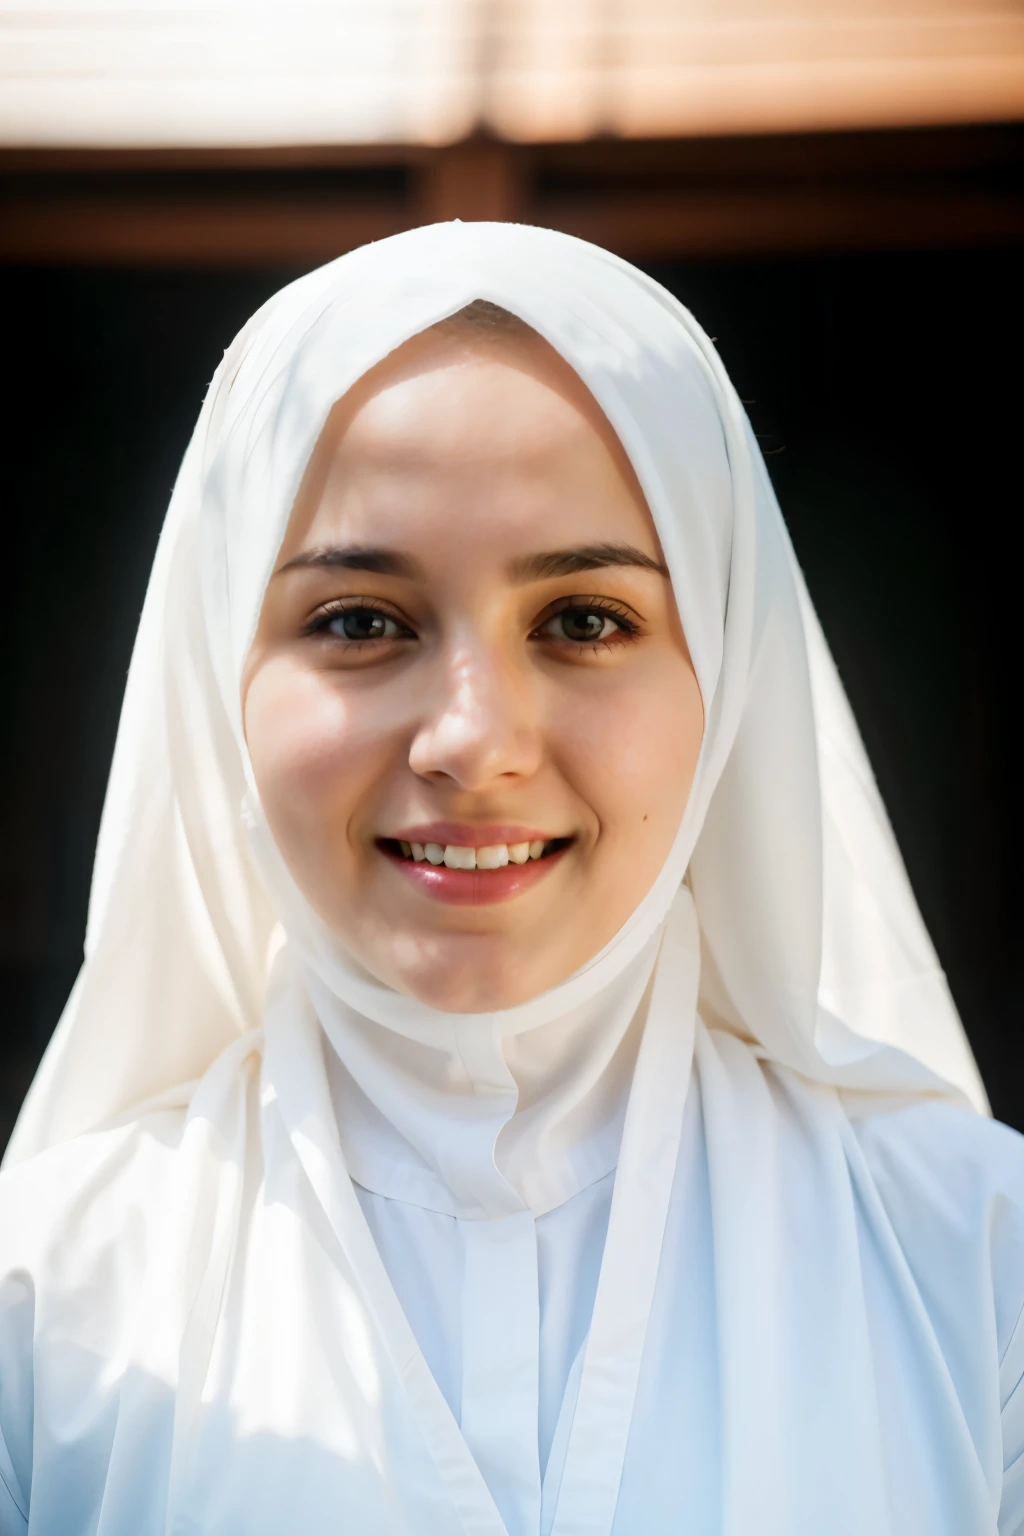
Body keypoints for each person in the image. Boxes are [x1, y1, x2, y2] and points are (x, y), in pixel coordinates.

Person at [0, 221, 1021, 1536]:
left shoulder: (973, 1273)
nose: (474, 742)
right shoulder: (47, 1315)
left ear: (726, 668)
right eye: (361, 623)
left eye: (585, 620)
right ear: (217, 683)